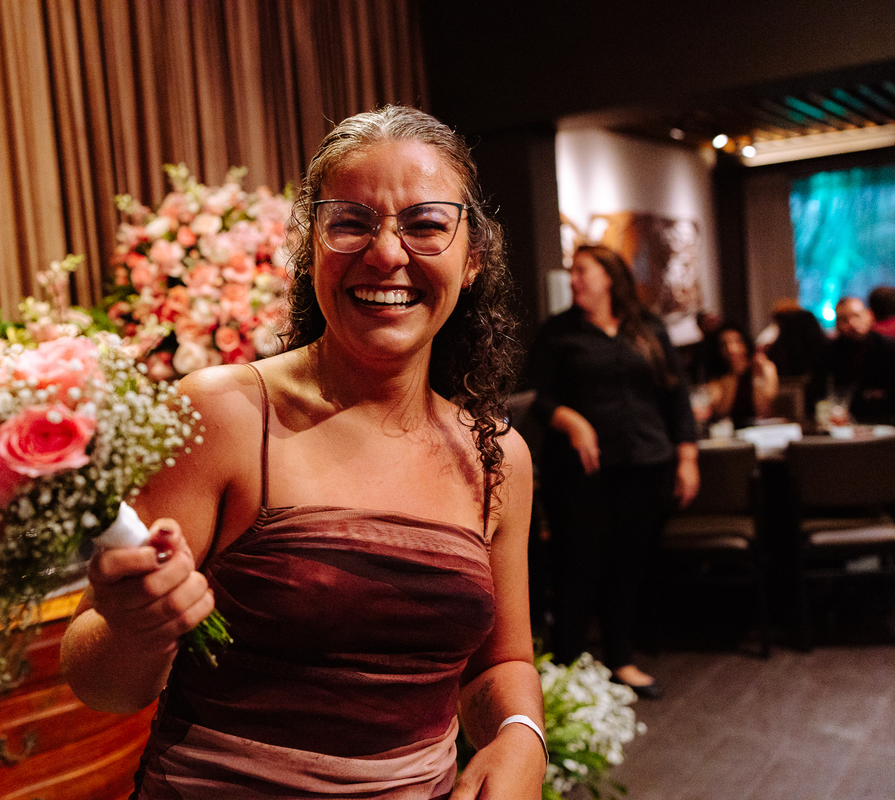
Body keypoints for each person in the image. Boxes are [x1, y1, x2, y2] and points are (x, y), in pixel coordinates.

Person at [61, 106, 546, 799]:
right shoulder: (224, 414)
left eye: (425, 224)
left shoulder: (497, 456)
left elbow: (501, 663)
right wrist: (134, 626)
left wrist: (521, 735)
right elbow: (102, 686)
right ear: (311, 249)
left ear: (472, 260)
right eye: (350, 222)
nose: (386, 253)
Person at [526, 244, 699, 699]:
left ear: (608, 277)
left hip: (646, 463)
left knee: (628, 565)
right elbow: (535, 396)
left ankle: (621, 660)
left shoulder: (648, 327)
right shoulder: (558, 332)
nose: (573, 279)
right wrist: (571, 420)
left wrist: (687, 458)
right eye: (572, 271)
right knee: (577, 566)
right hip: (580, 472)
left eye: (582, 270)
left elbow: (676, 396)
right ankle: (566, 669)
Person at [806, 296, 895, 425]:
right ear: (837, 324)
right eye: (844, 319)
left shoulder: (888, 347)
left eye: (857, 316)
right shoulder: (829, 351)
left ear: (869, 316)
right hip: (841, 424)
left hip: (884, 423)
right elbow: (817, 391)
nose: (852, 323)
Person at [704, 322, 779, 427]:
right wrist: (733, 376)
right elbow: (721, 412)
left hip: (760, 426)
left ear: (745, 344)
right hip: (729, 428)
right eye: (724, 344)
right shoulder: (718, 374)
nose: (731, 349)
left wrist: (757, 376)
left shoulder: (764, 367)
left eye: (737, 342)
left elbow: (764, 407)